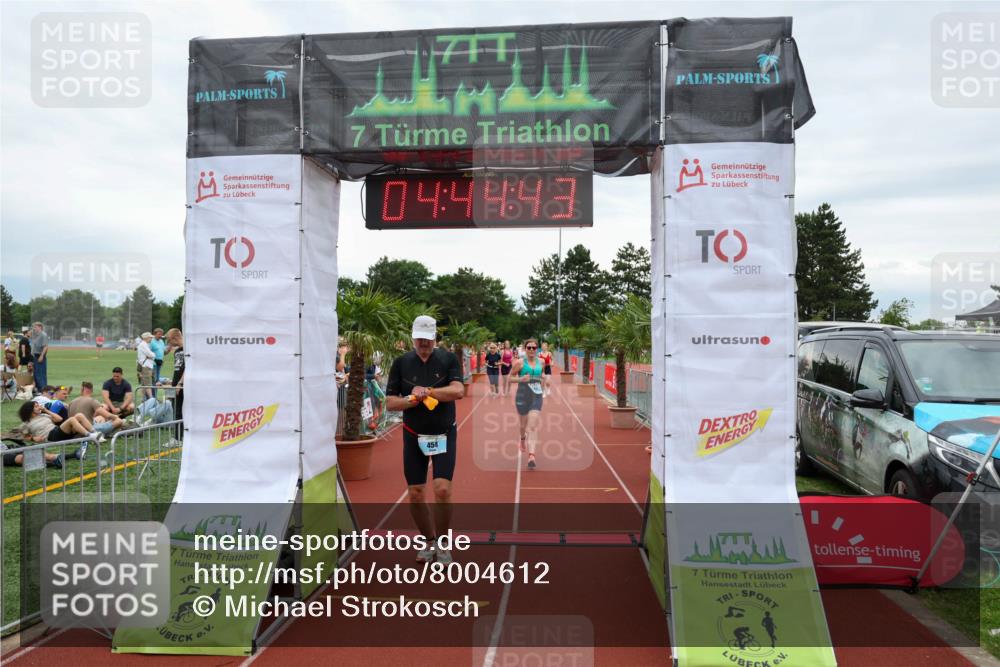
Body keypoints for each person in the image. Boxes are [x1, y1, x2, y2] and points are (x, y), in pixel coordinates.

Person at [385, 315, 464, 565]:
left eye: (428, 339)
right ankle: (428, 541)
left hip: (444, 433)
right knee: (416, 493)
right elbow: (390, 403)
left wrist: (429, 392)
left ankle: (442, 544)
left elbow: (458, 391)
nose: (424, 343)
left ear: (435, 338)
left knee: (442, 489)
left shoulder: (448, 359)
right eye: (419, 338)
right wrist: (412, 399)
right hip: (413, 435)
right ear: (413, 337)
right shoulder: (401, 363)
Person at [510, 338, 545, 471]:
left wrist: (543, 383)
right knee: (523, 426)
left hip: (536, 396)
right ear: (525, 349)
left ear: (537, 349)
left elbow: (541, 376)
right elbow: (510, 378)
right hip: (522, 396)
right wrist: (520, 379)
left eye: (534, 348)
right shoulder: (519, 363)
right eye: (529, 347)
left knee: (532, 426)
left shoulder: (541, 362)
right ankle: (523, 439)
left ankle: (531, 456)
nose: (531, 350)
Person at [17, 399, 101, 450]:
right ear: (30, 410)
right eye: (36, 406)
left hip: (57, 432)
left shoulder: (44, 415)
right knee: (72, 419)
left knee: (79, 415)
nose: (39, 407)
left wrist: (46, 410)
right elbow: (22, 436)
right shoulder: (26, 423)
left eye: (38, 405)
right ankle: (90, 436)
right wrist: (32, 438)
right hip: (50, 436)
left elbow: (59, 419)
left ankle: (95, 433)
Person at [166, 328, 184, 440]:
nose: (169, 343)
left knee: (180, 412)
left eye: (169, 340)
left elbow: (189, 368)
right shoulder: (177, 351)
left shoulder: (188, 349)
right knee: (175, 411)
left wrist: (180, 383)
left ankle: (178, 438)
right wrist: (171, 382)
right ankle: (178, 436)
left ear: (175, 338)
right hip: (175, 385)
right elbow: (177, 369)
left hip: (182, 386)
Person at [136, 332, 155, 399]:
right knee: (147, 384)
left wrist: (150, 355)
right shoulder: (143, 345)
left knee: (144, 384)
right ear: (146, 338)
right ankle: (151, 398)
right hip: (146, 366)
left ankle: (143, 399)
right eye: (150, 337)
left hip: (145, 365)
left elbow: (149, 355)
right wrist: (152, 355)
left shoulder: (144, 344)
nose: (151, 338)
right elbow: (151, 354)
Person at [30, 322, 49, 389]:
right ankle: (39, 389)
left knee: (41, 374)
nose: (34, 328)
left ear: (40, 327)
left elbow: (45, 346)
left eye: (35, 327)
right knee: (36, 374)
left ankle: (43, 389)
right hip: (35, 356)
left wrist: (42, 356)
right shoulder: (36, 335)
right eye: (33, 327)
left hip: (40, 356)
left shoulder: (43, 335)